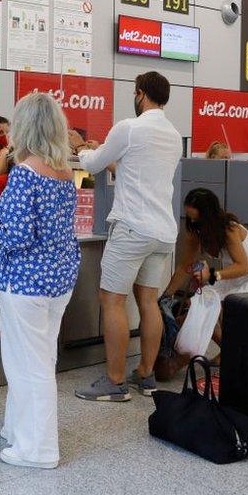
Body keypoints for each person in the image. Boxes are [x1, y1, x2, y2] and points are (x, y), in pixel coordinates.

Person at [0, 92, 80, 469]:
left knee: (28, 365)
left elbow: (19, 234)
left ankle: (37, 450)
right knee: (40, 358)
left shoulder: (25, 172)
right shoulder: (64, 171)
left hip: (26, 281)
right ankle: (16, 429)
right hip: (59, 278)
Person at [73, 71, 182, 401]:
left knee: (112, 300)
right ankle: (145, 375)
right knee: (148, 301)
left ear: (140, 94)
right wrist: (110, 157)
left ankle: (114, 381)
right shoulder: (173, 135)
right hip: (162, 232)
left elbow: (90, 164)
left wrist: (80, 147)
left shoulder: (129, 127)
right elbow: (134, 173)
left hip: (133, 228)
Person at [164, 188, 248, 348]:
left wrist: (210, 276)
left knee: (221, 306)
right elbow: (184, 266)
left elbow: (243, 267)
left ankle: (229, 352)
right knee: (199, 303)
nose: (193, 223)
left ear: (208, 215)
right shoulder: (195, 231)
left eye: (197, 219)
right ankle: (227, 350)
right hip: (232, 278)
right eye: (190, 219)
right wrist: (166, 296)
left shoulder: (230, 229)